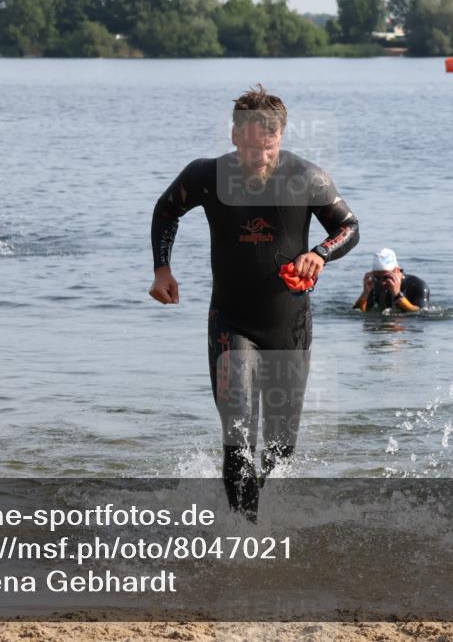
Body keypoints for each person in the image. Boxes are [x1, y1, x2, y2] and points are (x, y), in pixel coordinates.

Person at [149, 84, 359, 521]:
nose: (259, 158)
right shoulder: (205, 176)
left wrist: (318, 254)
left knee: (281, 446)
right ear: (234, 136)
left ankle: (259, 512)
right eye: (250, 148)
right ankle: (243, 538)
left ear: (279, 138)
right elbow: (166, 210)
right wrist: (162, 270)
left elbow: (349, 227)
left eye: (268, 148)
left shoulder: (306, 177)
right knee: (239, 433)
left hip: (289, 323)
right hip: (231, 321)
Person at [353, 248, 429, 312]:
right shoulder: (374, 284)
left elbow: (421, 314)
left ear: (398, 270)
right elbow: (361, 312)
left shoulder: (417, 286)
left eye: (386, 277)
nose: (382, 282)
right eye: (377, 277)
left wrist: (397, 295)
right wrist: (365, 294)